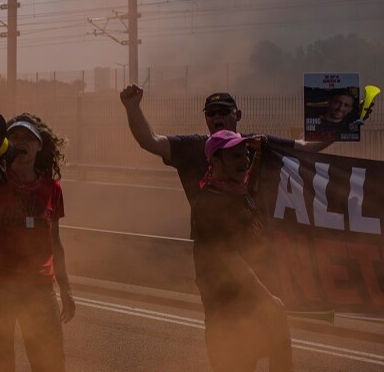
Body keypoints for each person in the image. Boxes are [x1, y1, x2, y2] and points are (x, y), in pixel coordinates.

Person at [0, 113, 76, 372]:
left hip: (38, 288)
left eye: (28, 137)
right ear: (6, 146)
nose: (21, 142)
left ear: (40, 146)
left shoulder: (52, 189)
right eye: (14, 137)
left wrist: (65, 288)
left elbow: (55, 243)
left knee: (49, 364)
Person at [118, 87, 330, 205]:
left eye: (223, 111)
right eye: (211, 113)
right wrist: (132, 107)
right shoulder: (193, 147)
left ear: (237, 115)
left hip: (252, 238)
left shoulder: (257, 143)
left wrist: (343, 127)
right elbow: (149, 141)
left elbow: (303, 146)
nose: (217, 117)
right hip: (212, 243)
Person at [194, 130, 292, 372]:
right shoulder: (210, 203)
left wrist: (260, 155)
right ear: (215, 162)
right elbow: (230, 257)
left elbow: (252, 179)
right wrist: (266, 298)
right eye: (237, 156)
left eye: (246, 154)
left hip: (253, 306)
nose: (245, 160)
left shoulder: (237, 189)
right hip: (228, 315)